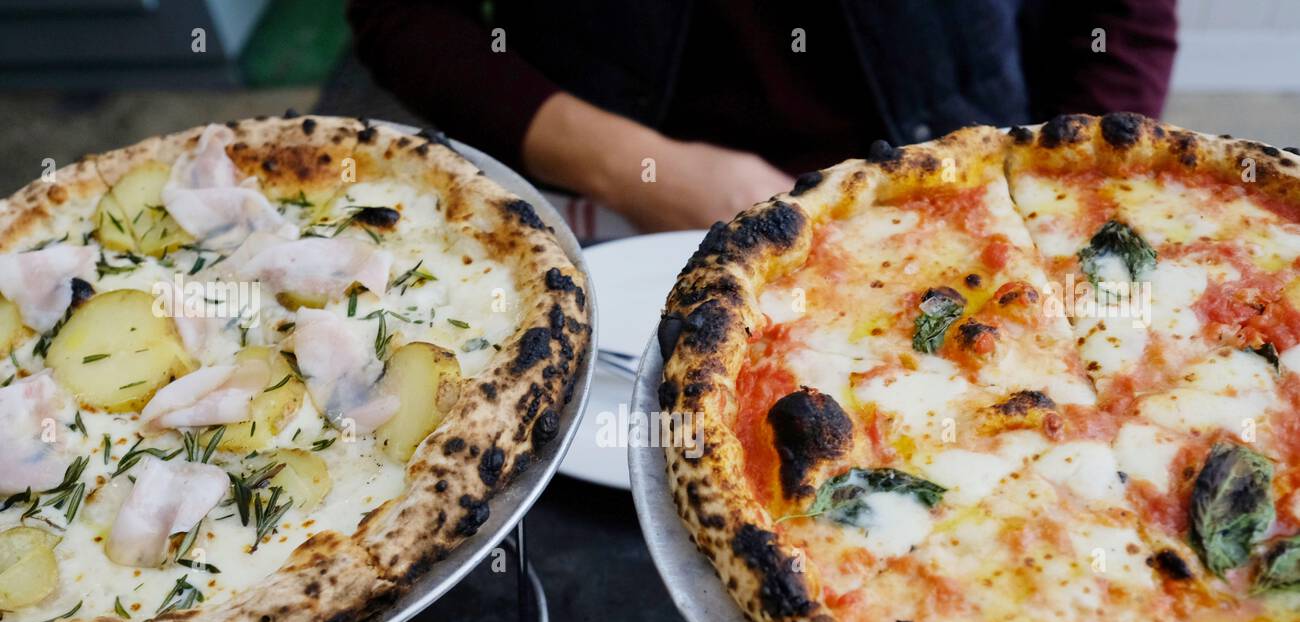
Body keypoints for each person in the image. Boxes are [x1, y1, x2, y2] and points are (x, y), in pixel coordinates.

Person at [349, 0, 1177, 239]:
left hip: (973, 203)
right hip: (615, 206)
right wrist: (638, 169)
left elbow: (1123, 19)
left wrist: (1063, 207)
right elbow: (405, 15)